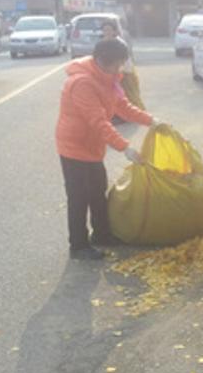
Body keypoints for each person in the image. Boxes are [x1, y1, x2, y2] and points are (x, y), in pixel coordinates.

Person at [55, 38, 160, 260]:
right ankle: (78, 245)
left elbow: (122, 106)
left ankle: (102, 234)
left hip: (92, 146)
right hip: (74, 146)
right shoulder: (82, 83)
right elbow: (98, 121)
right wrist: (125, 148)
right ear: (104, 60)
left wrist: (150, 120)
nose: (121, 68)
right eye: (119, 63)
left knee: (98, 191)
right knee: (79, 196)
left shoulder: (109, 78)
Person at [101, 19, 146, 110]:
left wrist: (118, 72)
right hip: (110, 72)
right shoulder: (103, 42)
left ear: (114, 31)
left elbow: (125, 60)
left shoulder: (119, 43)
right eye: (105, 30)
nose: (107, 32)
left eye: (109, 30)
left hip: (124, 72)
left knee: (129, 95)